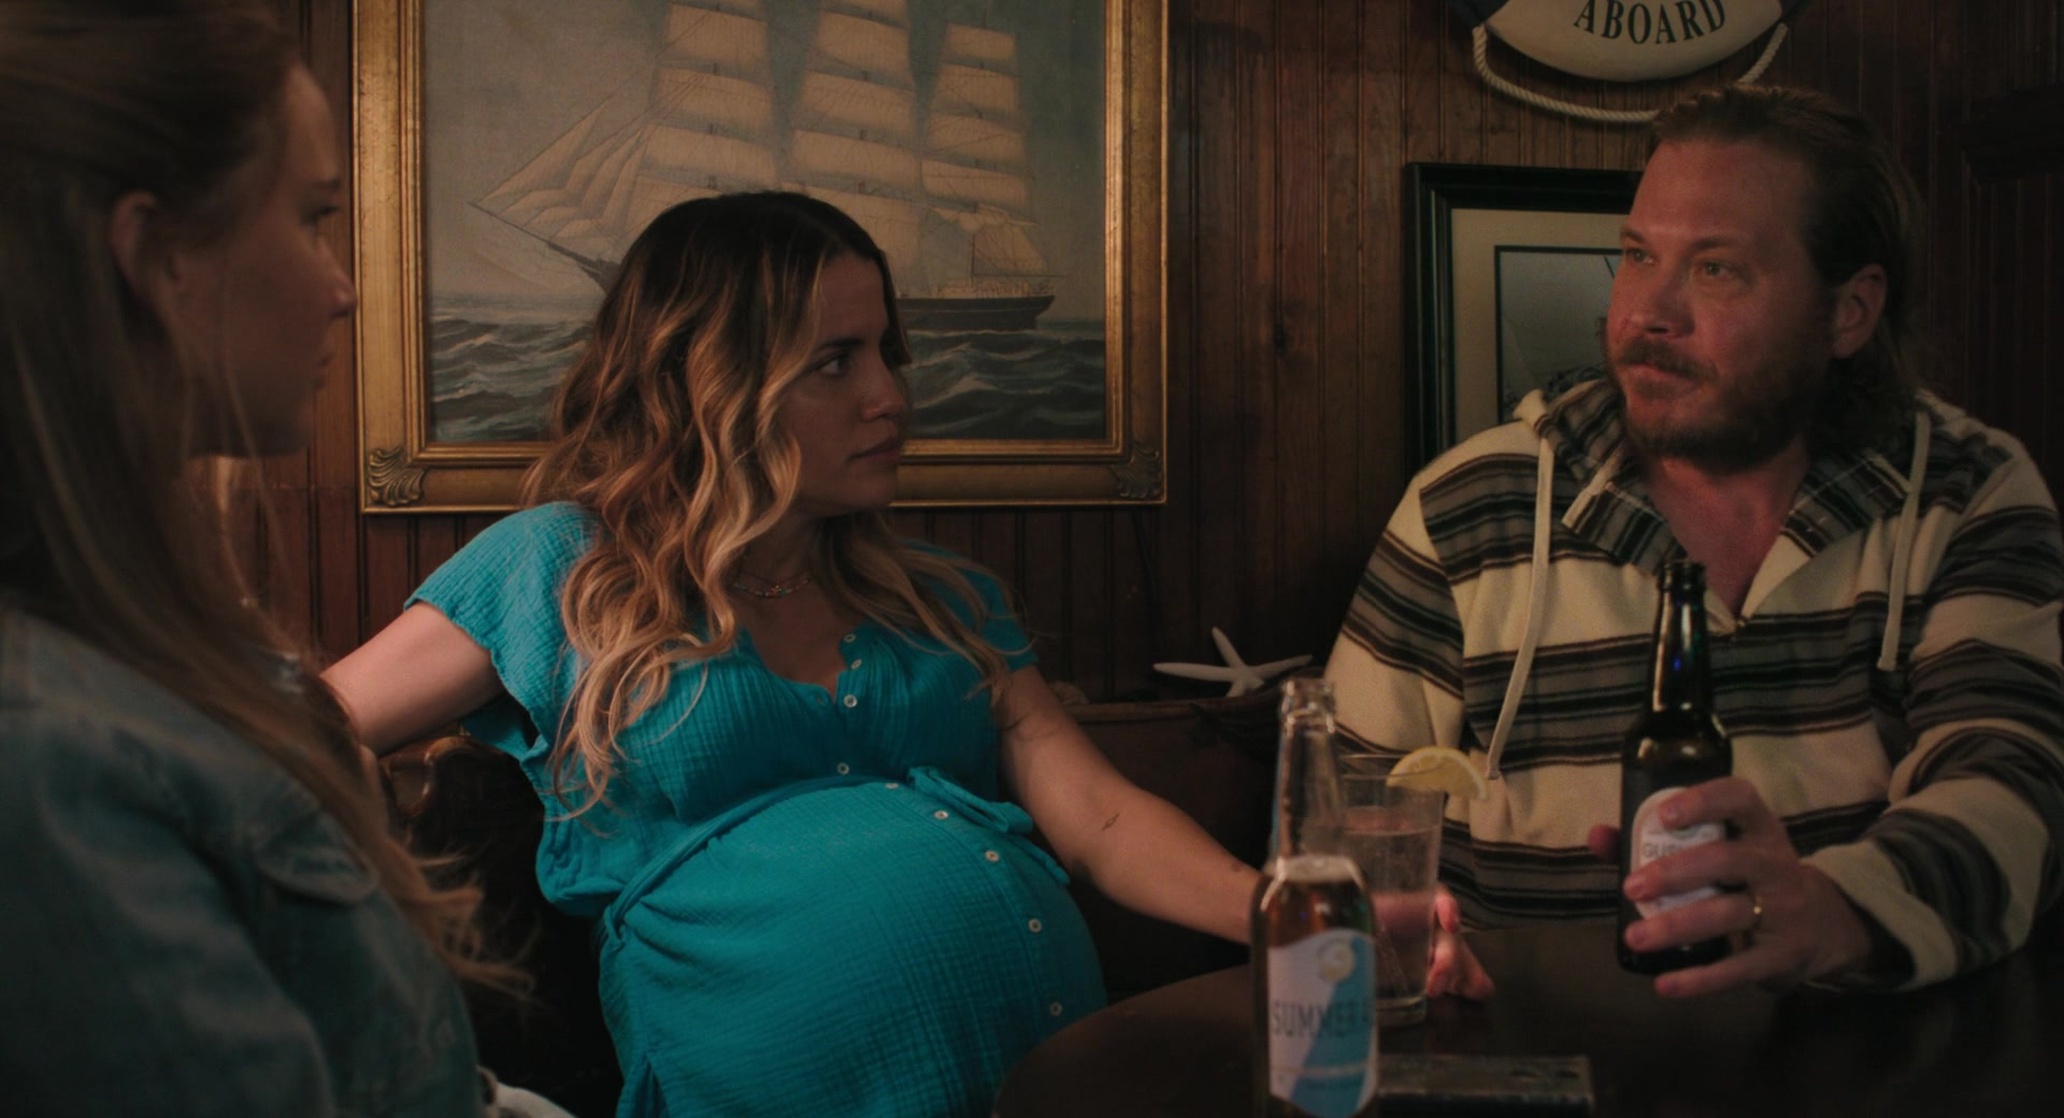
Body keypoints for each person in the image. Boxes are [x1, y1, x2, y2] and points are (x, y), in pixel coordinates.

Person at [328, 190, 1362, 1117]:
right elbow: (294, 731)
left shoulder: (943, 596)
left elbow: (1099, 816)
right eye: (836, 362)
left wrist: (1290, 916)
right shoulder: (562, 566)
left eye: (885, 352)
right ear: (708, 380)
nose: (890, 395)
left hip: (1048, 1077)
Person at [1325, 84, 2064, 997]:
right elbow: (1341, 813)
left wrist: (1833, 910)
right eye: (1638, 255)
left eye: (1716, 269)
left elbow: (2014, 785)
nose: (1647, 314)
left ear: (1849, 311)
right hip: (1537, 1044)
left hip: (1861, 1052)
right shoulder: (1469, 507)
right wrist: (1393, 932)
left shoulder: (1965, 492)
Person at [0, 2, 559, 1115]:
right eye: (311, 219)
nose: (342, 287)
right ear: (157, 256)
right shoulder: (49, 759)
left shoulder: (165, 653)